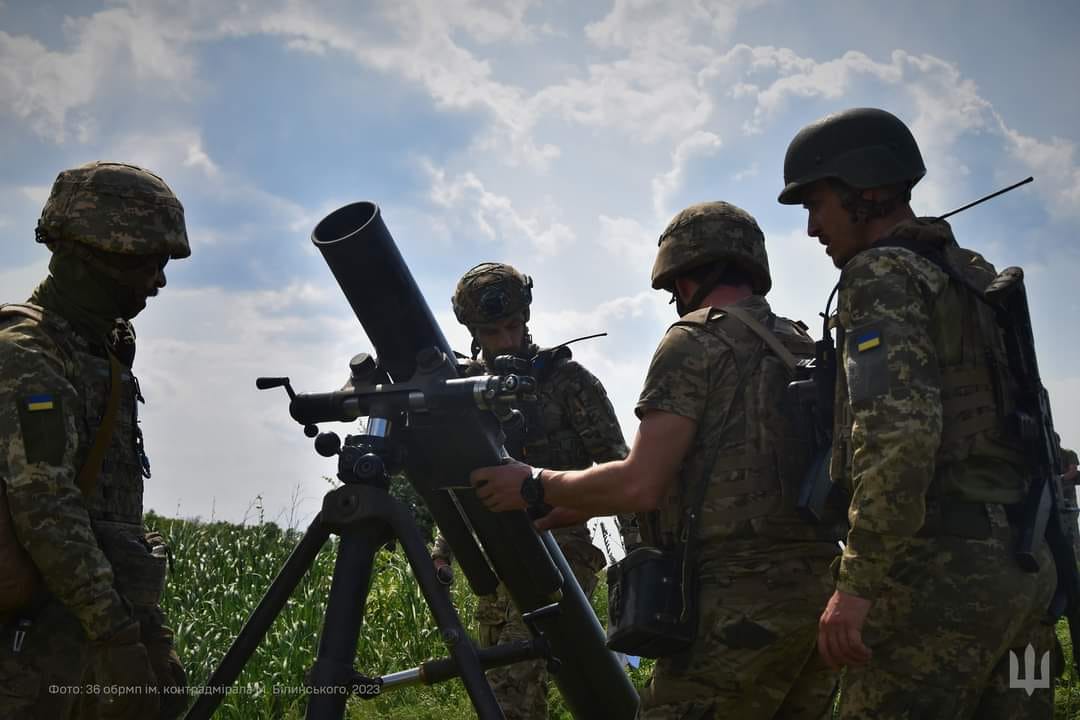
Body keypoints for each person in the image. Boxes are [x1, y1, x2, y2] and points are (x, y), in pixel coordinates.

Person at [470, 204, 841, 719]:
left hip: (737, 604)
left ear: (683, 275)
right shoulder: (796, 342)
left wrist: (534, 484)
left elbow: (639, 483)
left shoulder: (693, 341)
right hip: (820, 595)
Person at [777, 106, 1058, 718]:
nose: (811, 229)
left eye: (815, 204)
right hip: (1025, 570)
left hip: (938, 577)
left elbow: (898, 440)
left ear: (864, 190)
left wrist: (857, 583)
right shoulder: (973, 278)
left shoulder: (880, 274)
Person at [0, 161, 190, 719]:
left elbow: (110, 513)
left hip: (85, 635)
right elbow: (47, 509)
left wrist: (147, 631)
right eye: (145, 262)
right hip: (32, 650)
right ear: (90, 256)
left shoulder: (98, 351)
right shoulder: (28, 354)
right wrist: (118, 638)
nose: (158, 281)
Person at [430, 262, 629, 719]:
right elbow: (463, 479)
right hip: (498, 552)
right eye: (492, 331)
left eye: (513, 327)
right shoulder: (469, 390)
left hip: (563, 549)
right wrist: (443, 553)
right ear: (473, 332)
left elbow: (621, 474)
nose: (506, 340)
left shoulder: (569, 383)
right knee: (500, 690)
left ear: (526, 320)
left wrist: (638, 566)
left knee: (509, 687)